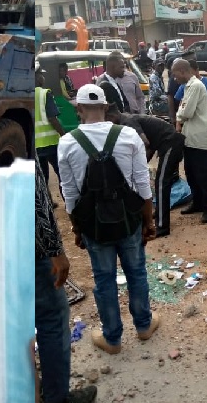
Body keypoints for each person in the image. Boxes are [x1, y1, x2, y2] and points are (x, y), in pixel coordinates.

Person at [58, 84, 159, 355]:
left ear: (78, 109)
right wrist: (148, 221)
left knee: (104, 280)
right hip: (129, 220)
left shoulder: (67, 143)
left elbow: (69, 193)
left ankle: (112, 338)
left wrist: (77, 228)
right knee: (136, 272)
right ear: (105, 107)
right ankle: (143, 326)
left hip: (93, 224)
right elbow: (142, 182)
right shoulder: (127, 136)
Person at [35, 159, 97, 403]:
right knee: (52, 319)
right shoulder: (21, 135)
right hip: (31, 251)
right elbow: (37, 203)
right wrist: (55, 251)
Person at [105, 107, 185, 238]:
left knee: (161, 183)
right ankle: (159, 214)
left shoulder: (127, 122)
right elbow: (150, 142)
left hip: (171, 141)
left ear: (110, 117)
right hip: (167, 142)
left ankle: (162, 226)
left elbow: (145, 142)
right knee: (161, 182)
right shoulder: (127, 118)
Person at [173, 58, 207, 223]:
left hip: (199, 139)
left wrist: (179, 115)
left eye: (175, 74)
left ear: (183, 71)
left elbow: (186, 112)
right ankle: (197, 203)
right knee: (191, 174)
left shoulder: (196, 86)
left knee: (204, 176)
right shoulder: (188, 86)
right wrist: (180, 112)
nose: (174, 77)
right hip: (190, 138)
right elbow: (182, 109)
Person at [35, 72, 66, 193]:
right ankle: (69, 204)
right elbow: (52, 118)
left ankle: (47, 205)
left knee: (42, 178)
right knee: (62, 173)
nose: (43, 77)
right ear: (37, 78)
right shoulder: (44, 93)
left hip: (36, 145)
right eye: (41, 75)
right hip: (51, 143)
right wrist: (64, 135)